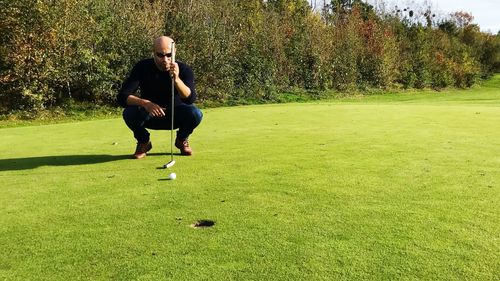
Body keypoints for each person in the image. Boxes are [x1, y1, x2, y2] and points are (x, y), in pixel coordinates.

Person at [117, 36, 203, 159]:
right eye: (160, 55)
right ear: (153, 52)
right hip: (150, 115)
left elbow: (190, 99)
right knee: (129, 113)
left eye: (169, 55)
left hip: (176, 116)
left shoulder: (184, 69)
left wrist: (177, 80)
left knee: (195, 114)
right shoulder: (142, 67)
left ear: (174, 52)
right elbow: (122, 96)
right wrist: (145, 103)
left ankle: (181, 140)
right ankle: (144, 142)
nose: (165, 59)